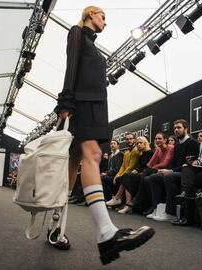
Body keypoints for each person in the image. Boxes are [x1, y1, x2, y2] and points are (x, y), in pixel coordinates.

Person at [54, 6, 154, 264]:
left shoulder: (94, 46)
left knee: (73, 165)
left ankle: (55, 228)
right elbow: (71, 65)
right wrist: (66, 101)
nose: (105, 23)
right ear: (90, 14)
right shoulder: (77, 32)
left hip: (96, 105)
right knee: (93, 155)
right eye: (102, 17)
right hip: (82, 103)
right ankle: (106, 233)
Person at [114, 136, 153, 214]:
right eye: (137, 143)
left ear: (145, 143)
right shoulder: (141, 154)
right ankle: (123, 203)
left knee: (126, 176)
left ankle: (122, 201)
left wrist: (138, 170)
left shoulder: (150, 153)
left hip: (146, 174)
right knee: (126, 176)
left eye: (140, 143)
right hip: (140, 174)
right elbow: (139, 167)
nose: (138, 145)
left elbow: (149, 167)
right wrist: (136, 170)